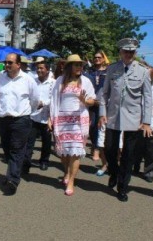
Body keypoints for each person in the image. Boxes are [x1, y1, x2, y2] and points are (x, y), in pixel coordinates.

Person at [98, 38, 153, 202]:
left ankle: (122, 187)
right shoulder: (112, 69)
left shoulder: (143, 71)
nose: (128, 54)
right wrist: (102, 113)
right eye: (125, 51)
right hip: (113, 116)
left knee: (128, 155)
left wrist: (147, 121)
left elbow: (148, 98)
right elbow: (104, 94)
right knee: (109, 149)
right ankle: (113, 173)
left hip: (133, 118)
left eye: (131, 52)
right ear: (120, 52)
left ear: (135, 53)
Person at [49, 54, 96, 195]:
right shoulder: (60, 81)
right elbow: (53, 100)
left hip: (78, 122)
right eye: (76, 64)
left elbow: (92, 100)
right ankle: (67, 172)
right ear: (69, 66)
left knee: (75, 152)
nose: (79, 67)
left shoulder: (86, 81)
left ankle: (71, 181)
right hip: (62, 121)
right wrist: (51, 118)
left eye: (80, 65)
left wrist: (84, 100)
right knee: (64, 154)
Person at [0, 53, 39, 196]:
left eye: (10, 63)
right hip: (4, 119)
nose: (7, 65)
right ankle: (11, 173)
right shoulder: (0, 77)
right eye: (6, 63)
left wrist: (27, 113)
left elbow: (35, 99)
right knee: (6, 149)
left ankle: (13, 180)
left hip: (21, 120)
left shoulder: (28, 80)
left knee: (17, 150)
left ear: (18, 64)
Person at [133, 66, 153, 182]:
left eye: (148, 74)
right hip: (136, 123)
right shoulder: (136, 87)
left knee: (151, 150)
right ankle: (135, 167)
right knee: (137, 148)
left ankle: (149, 172)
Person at [24, 59, 55, 172]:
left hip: (47, 118)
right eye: (37, 68)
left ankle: (44, 161)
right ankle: (26, 163)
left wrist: (44, 103)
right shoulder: (33, 81)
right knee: (29, 142)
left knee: (46, 143)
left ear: (47, 70)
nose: (39, 70)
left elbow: (55, 100)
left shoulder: (53, 83)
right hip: (33, 116)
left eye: (42, 68)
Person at [87, 50, 108, 171]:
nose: (97, 59)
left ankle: (97, 149)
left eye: (99, 57)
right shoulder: (89, 72)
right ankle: (95, 146)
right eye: (95, 57)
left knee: (101, 126)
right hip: (91, 102)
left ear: (104, 59)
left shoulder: (108, 72)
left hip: (103, 103)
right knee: (92, 126)